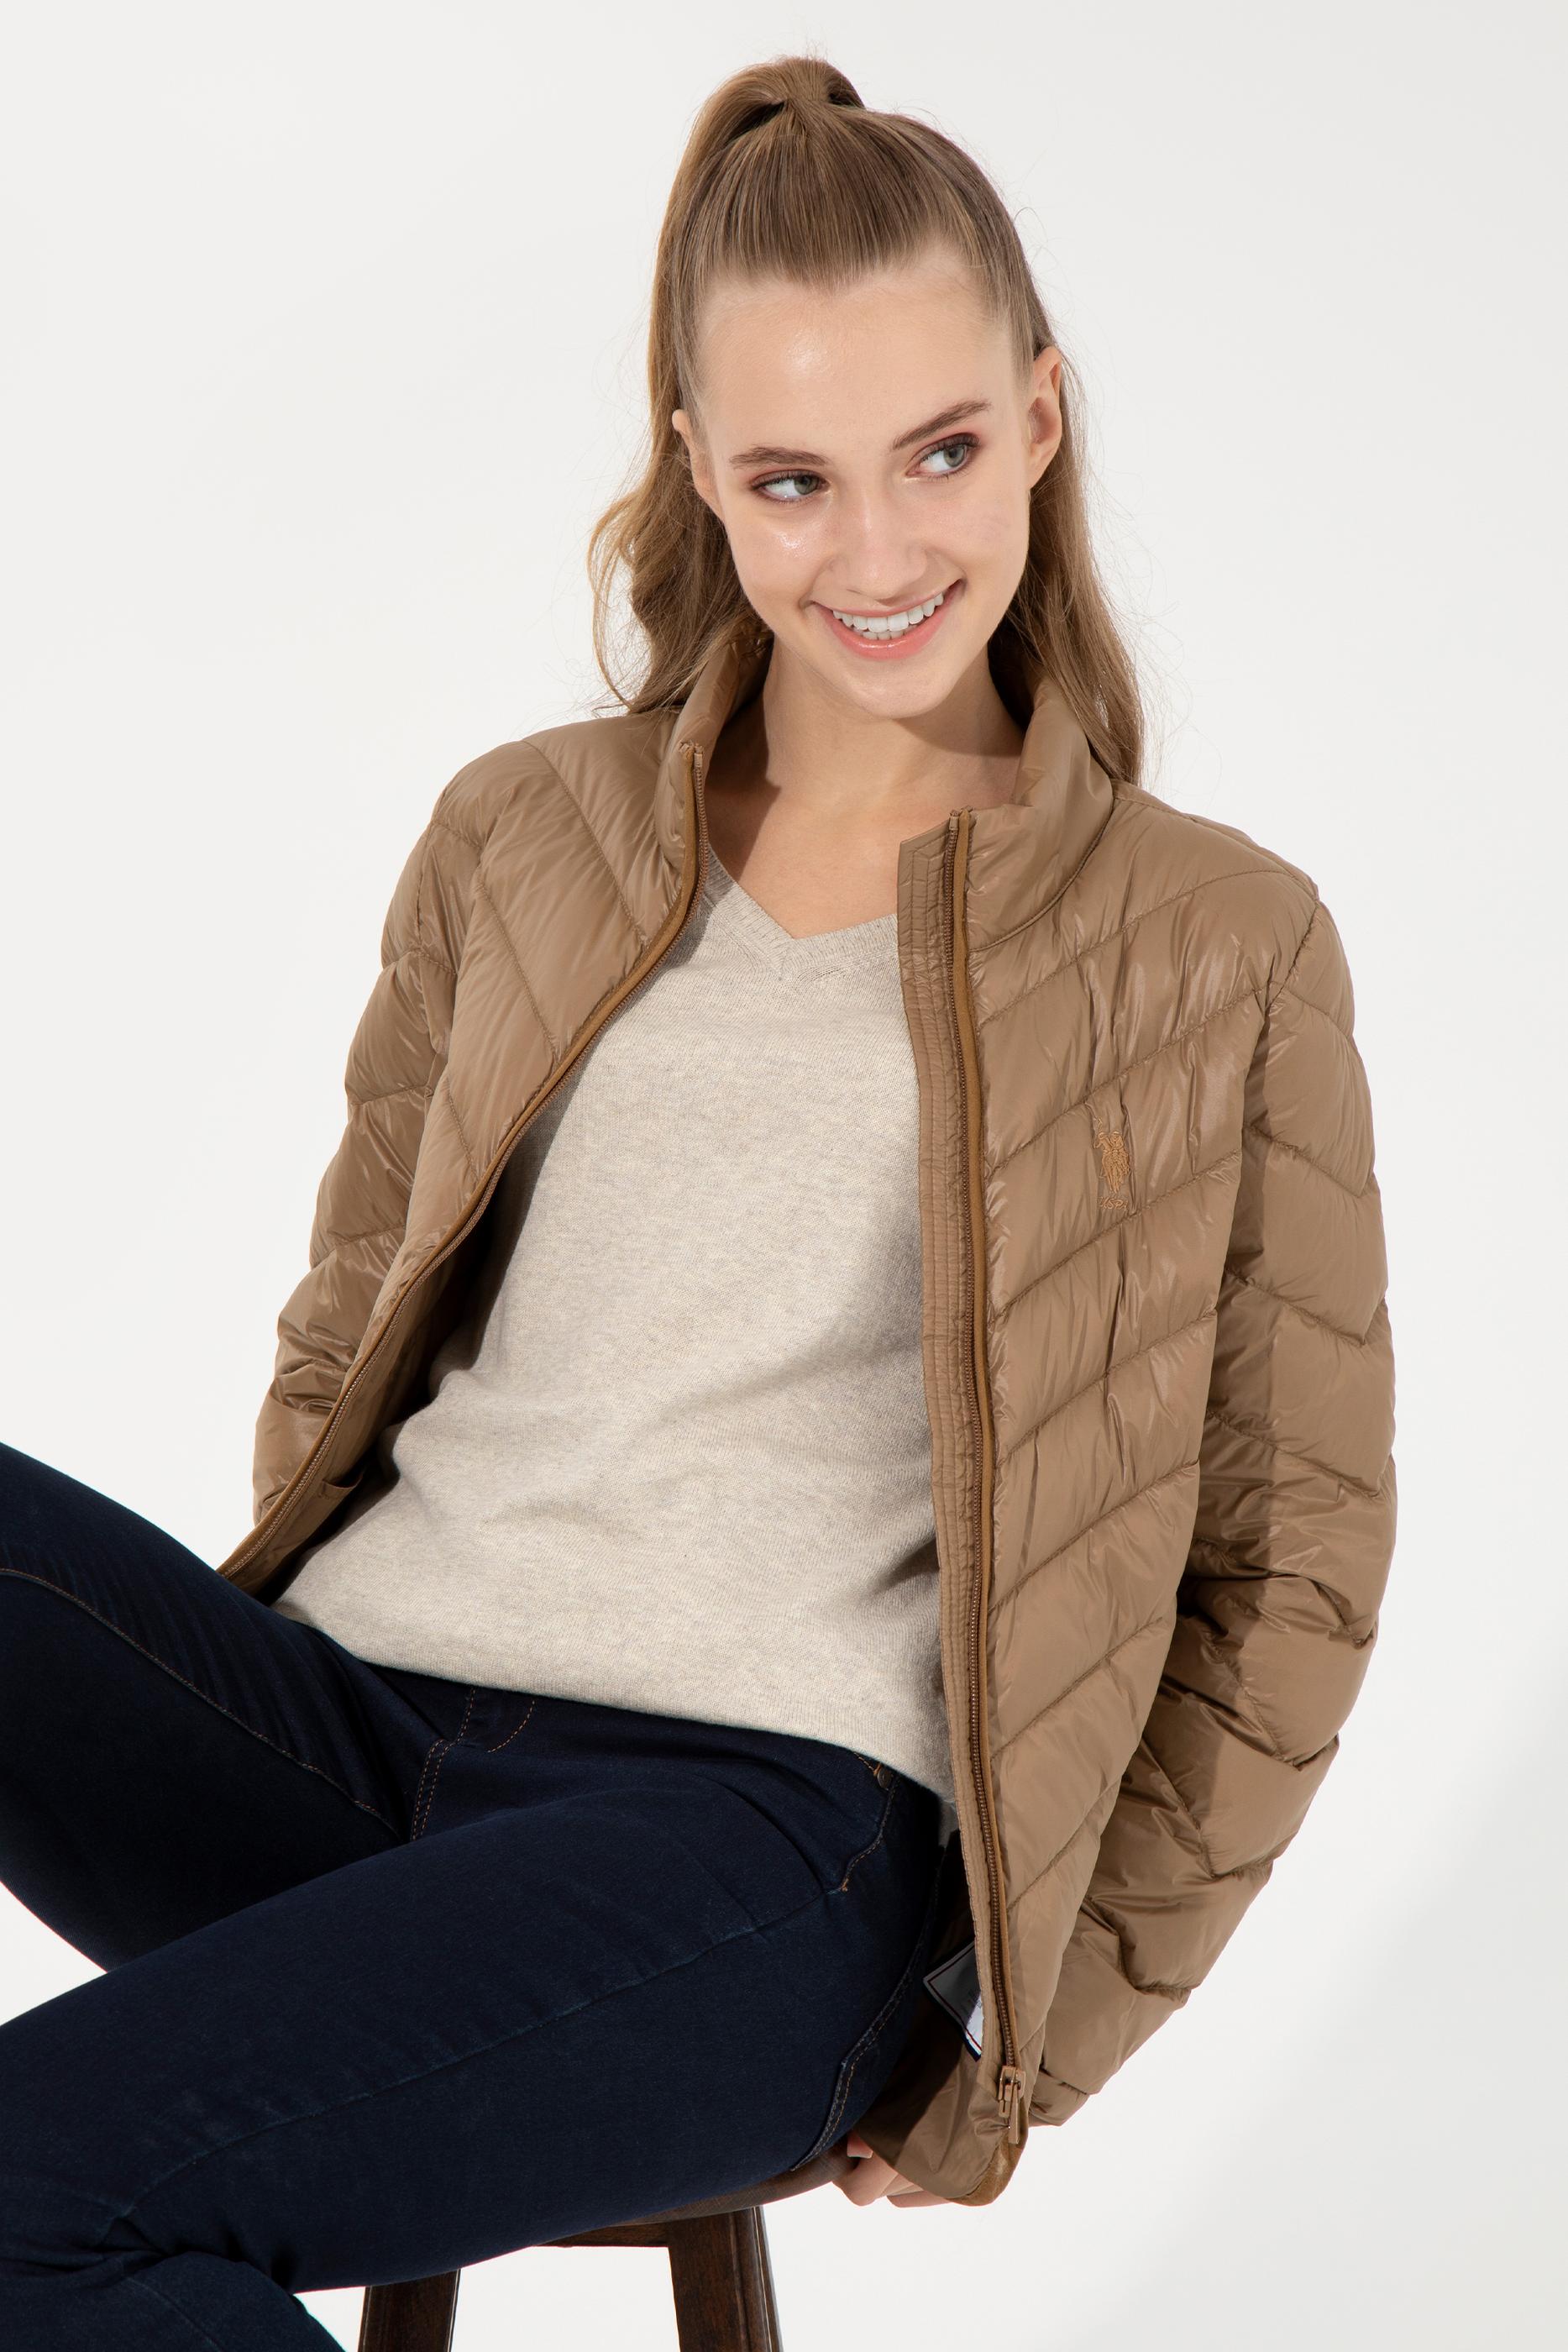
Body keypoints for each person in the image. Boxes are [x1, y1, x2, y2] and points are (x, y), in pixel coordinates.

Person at [0, 48, 1397, 2339]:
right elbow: (354, 1327)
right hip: (353, 1742)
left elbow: (1291, 1556)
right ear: (701, 478)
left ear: (1041, 419)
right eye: (792, 480)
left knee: (32, 2192)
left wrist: (1024, 2052)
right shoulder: (523, 831)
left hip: (753, 1846)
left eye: (940, 452)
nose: (879, 553)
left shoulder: (1207, 939)